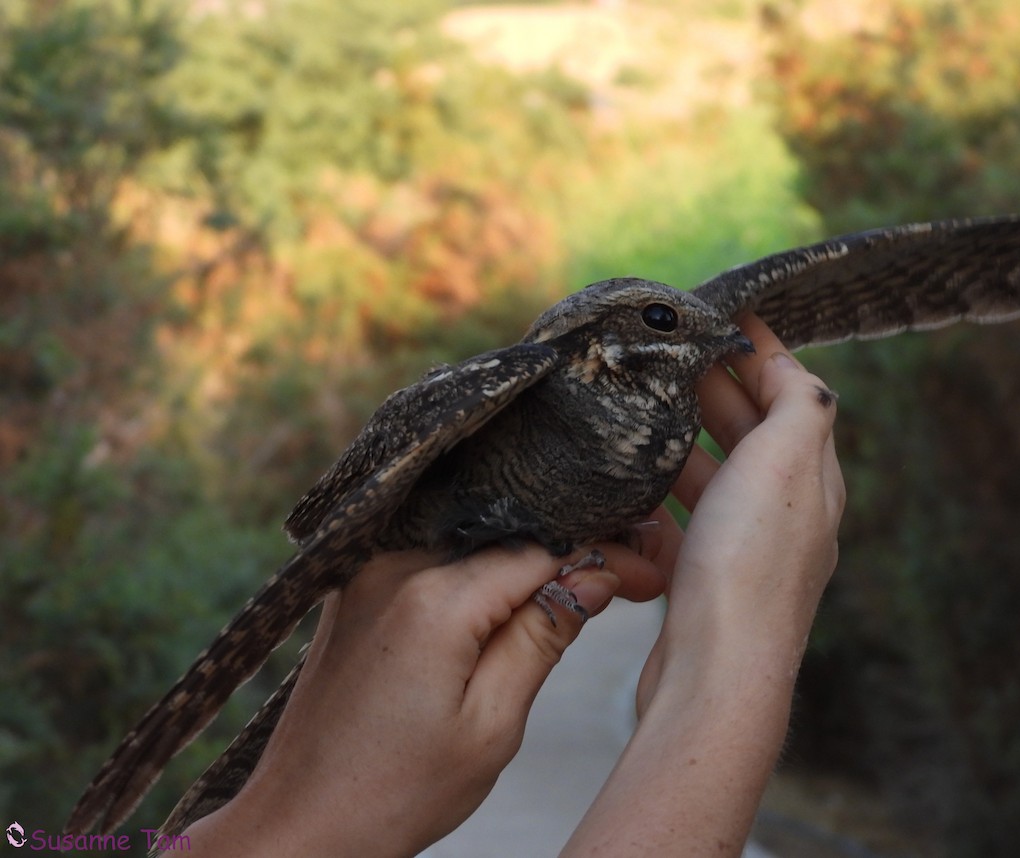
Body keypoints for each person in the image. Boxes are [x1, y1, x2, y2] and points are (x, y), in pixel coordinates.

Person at [182, 314, 845, 857]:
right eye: (665, 322)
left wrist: (262, 830)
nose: (721, 337)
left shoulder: (669, 402)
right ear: (599, 339)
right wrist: (735, 661)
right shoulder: (519, 384)